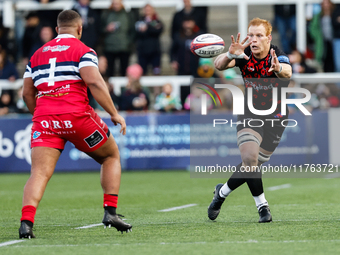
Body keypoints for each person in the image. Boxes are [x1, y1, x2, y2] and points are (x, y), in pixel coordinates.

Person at [19, 10, 132, 239]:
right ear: (80, 29)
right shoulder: (83, 50)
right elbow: (94, 82)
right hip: (77, 117)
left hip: (45, 120)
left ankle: (26, 223)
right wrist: (114, 113)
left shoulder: (37, 54)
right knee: (110, 156)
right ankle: (110, 212)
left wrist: (42, 116)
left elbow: (26, 93)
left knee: (39, 173)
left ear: (57, 29)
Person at [209, 18, 292, 223]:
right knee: (250, 159)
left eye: (259, 35)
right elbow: (218, 65)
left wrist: (278, 69)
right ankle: (262, 206)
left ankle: (221, 193)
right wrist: (230, 54)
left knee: (253, 165)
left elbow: (288, 72)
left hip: (276, 116)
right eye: (251, 35)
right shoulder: (243, 54)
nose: (253, 40)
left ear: (268, 38)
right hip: (250, 113)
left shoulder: (277, 55)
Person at [101, 0, 135, 77]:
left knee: (124, 71)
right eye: (115, 3)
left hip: (124, 47)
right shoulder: (106, 14)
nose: (116, 5)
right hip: (109, 47)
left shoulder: (128, 15)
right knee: (109, 71)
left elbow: (132, 30)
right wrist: (106, 29)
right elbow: (99, 29)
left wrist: (129, 42)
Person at [135, 4, 163, 75]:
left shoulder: (157, 20)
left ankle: (156, 86)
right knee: (142, 72)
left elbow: (159, 30)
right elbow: (138, 33)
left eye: (149, 10)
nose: (148, 11)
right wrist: (152, 28)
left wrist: (147, 27)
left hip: (155, 50)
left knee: (156, 72)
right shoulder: (139, 20)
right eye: (146, 10)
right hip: (143, 51)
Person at [309, 0, 336, 72]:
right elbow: (313, 28)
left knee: (334, 57)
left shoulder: (334, 14)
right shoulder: (319, 15)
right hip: (322, 40)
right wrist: (317, 36)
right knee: (324, 57)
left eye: (327, 3)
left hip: (333, 39)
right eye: (324, 4)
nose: (326, 5)